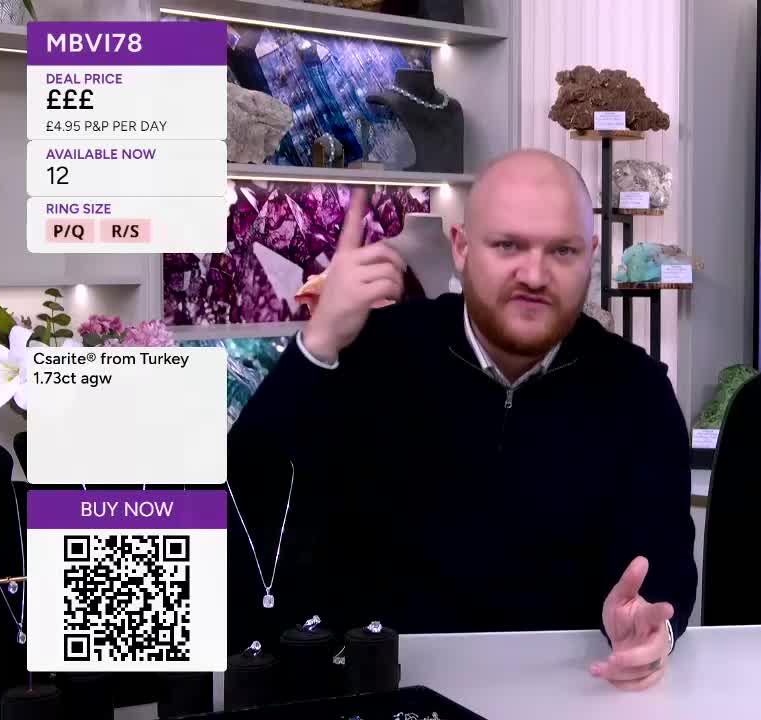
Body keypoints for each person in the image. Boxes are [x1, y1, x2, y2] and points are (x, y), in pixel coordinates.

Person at [226, 149, 696, 691]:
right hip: (383, 686)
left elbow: (660, 556)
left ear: (590, 256)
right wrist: (317, 345)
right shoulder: (372, 354)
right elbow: (249, 501)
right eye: (508, 245)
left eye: (561, 251)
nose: (534, 274)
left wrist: (652, 633)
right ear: (461, 247)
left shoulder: (636, 389)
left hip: (568, 689)